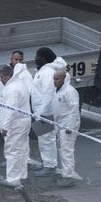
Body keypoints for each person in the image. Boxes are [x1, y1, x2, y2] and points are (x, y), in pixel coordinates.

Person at [32, 47, 68, 177]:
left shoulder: (47, 72)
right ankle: (47, 163)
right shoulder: (45, 70)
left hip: (44, 113)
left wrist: (44, 113)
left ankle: (50, 166)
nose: (35, 58)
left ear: (44, 58)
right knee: (44, 138)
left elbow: (48, 93)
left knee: (47, 138)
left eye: (37, 56)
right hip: (41, 112)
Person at [0, 63, 32, 185]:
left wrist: (5, 127)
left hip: (15, 124)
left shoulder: (12, 89)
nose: (0, 80)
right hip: (23, 121)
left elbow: (11, 110)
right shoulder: (20, 84)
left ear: (7, 76)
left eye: (1, 77)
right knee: (21, 148)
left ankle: (12, 179)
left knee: (12, 151)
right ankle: (22, 174)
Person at [51, 69, 82, 186]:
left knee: (66, 151)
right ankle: (66, 173)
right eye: (54, 78)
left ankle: (68, 177)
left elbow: (74, 110)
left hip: (67, 126)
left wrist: (70, 126)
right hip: (61, 125)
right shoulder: (59, 90)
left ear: (64, 79)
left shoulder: (70, 92)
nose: (54, 81)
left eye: (57, 79)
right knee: (63, 150)